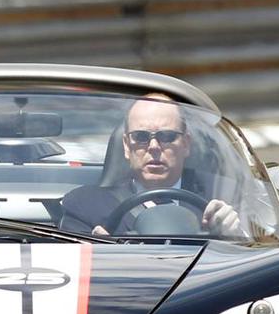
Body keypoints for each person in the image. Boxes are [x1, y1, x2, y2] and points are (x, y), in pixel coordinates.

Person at [59, 94, 241, 236]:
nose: (154, 147)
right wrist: (99, 250)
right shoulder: (86, 206)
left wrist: (233, 236)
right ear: (126, 146)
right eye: (141, 136)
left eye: (167, 136)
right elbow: (75, 266)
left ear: (186, 144)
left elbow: (252, 257)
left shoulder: (224, 196)